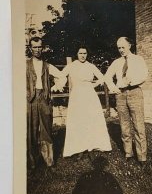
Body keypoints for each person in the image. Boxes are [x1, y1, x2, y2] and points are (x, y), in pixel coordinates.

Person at [61, 46, 112, 159]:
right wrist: (58, 84)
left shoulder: (91, 66)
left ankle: (92, 144)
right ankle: (78, 147)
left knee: (91, 118)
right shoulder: (71, 66)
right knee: (78, 120)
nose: (83, 55)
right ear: (77, 54)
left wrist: (94, 84)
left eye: (85, 53)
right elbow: (61, 76)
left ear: (87, 54)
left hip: (89, 95)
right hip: (77, 96)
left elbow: (102, 77)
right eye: (80, 53)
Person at [105, 37, 148, 165]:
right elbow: (107, 76)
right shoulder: (117, 62)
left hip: (135, 92)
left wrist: (132, 81)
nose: (121, 50)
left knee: (138, 125)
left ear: (129, 45)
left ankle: (142, 157)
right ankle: (128, 153)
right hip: (121, 95)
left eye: (123, 47)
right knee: (124, 125)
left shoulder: (138, 59)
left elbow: (145, 74)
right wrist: (114, 88)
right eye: (119, 48)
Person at [26, 37, 62, 170]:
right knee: (31, 130)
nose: (37, 50)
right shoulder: (25, 64)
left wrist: (53, 89)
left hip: (44, 99)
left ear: (43, 48)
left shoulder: (47, 65)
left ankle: (49, 160)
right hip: (30, 100)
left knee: (46, 129)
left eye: (39, 47)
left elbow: (62, 76)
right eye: (34, 47)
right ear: (30, 48)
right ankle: (32, 162)